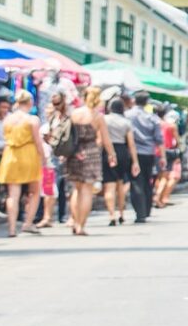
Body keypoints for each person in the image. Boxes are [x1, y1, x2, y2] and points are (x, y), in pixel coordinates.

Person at [0, 91, 46, 237]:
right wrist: (43, 157)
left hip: (11, 154)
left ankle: (11, 228)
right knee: (34, 191)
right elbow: (38, 141)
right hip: (29, 155)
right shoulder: (32, 119)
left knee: (13, 194)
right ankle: (28, 223)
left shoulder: (8, 119)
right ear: (30, 103)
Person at [66, 87, 104, 236]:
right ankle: (81, 225)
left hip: (74, 152)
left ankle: (75, 222)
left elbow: (69, 134)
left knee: (76, 189)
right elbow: (104, 139)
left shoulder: (75, 114)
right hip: (91, 152)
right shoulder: (97, 116)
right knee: (87, 190)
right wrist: (111, 153)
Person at [126, 90, 163, 224]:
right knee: (148, 181)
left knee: (136, 182)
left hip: (133, 152)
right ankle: (146, 210)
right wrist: (162, 156)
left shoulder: (128, 115)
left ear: (134, 100)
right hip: (149, 153)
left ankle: (139, 212)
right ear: (147, 102)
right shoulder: (152, 118)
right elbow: (159, 139)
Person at [100, 94, 137, 227]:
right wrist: (135, 161)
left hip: (107, 151)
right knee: (120, 183)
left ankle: (112, 215)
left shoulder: (104, 119)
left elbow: (100, 139)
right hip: (122, 151)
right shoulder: (126, 122)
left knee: (109, 185)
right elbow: (131, 144)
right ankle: (121, 213)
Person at [39, 89, 72, 229]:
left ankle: (71, 217)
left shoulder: (67, 119)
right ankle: (47, 217)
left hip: (63, 156)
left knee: (67, 188)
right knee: (49, 187)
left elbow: (68, 138)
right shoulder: (51, 121)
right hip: (50, 157)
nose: (52, 107)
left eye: (56, 103)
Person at [155, 106, 181, 208]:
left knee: (159, 176)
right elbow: (177, 141)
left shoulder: (155, 124)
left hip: (156, 151)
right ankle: (158, 197)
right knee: (165, 177)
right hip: (168, 151)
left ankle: (160, 197)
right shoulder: (171, 126)